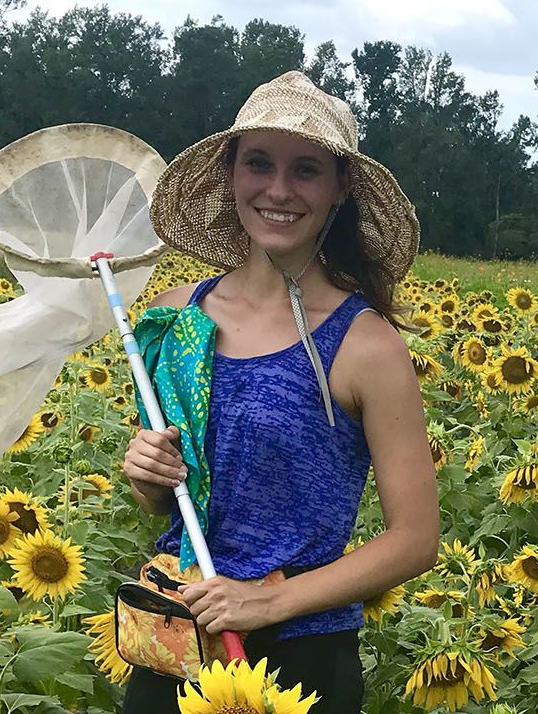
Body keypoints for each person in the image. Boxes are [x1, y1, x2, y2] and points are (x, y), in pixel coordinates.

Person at [119, 71, 439, 713]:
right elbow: (174, 503)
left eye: (307, 170)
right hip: (174, 643)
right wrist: (149, 476)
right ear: (230, 173)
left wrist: (268, 601)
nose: (279, 190)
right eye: (258, 163)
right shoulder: (177, 318)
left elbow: (416, 538)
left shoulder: (364, 344)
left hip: (302, 659)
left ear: (340, 188)